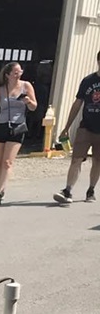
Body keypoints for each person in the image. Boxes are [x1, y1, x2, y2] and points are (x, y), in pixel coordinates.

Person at [0, 61, 37, 205]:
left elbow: (34, 107)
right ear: (8, 75)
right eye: (15, 72)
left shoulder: (26, 86)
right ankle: (0, 188)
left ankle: (0, 191)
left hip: (18, 126)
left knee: (7, 162)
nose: (19, 74)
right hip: (1, 125)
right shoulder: (0, 90)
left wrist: (28, 101)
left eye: (20, 71)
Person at [52, 49, 100, 205]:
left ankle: (91, 190)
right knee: (76, 159)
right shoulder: (88, 81)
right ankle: (67, 190)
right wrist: (67, 126)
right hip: (86, 127)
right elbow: (77, 104)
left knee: (98, 162)